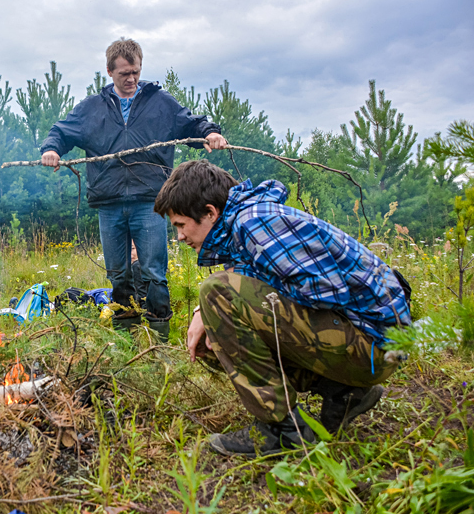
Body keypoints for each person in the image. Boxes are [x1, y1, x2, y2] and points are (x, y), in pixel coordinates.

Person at [153, 160, 411, 457]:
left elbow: (325, 290)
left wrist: (216, 304)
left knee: (216, 293)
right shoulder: (241, 227)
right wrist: (210, 315)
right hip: (368, 346)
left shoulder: (255, 222)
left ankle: (281, 430)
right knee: (216, 309)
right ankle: (342, 392)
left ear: (210, 213)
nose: (180, 237)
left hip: (374, 348)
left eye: (181, 225)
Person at [40, 38, 227, 340]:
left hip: (149, 202)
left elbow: (190, 123)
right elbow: (61, 131)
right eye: (124, 73)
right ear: (109, 71)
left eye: (136, 72)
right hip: (109, 202)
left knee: (154, 272)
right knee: (118, 274)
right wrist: (52, 150)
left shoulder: (160, 102)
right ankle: (125, 340)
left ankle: (160, 343)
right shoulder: (92, 108)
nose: (131, 79)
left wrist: (210, 133)